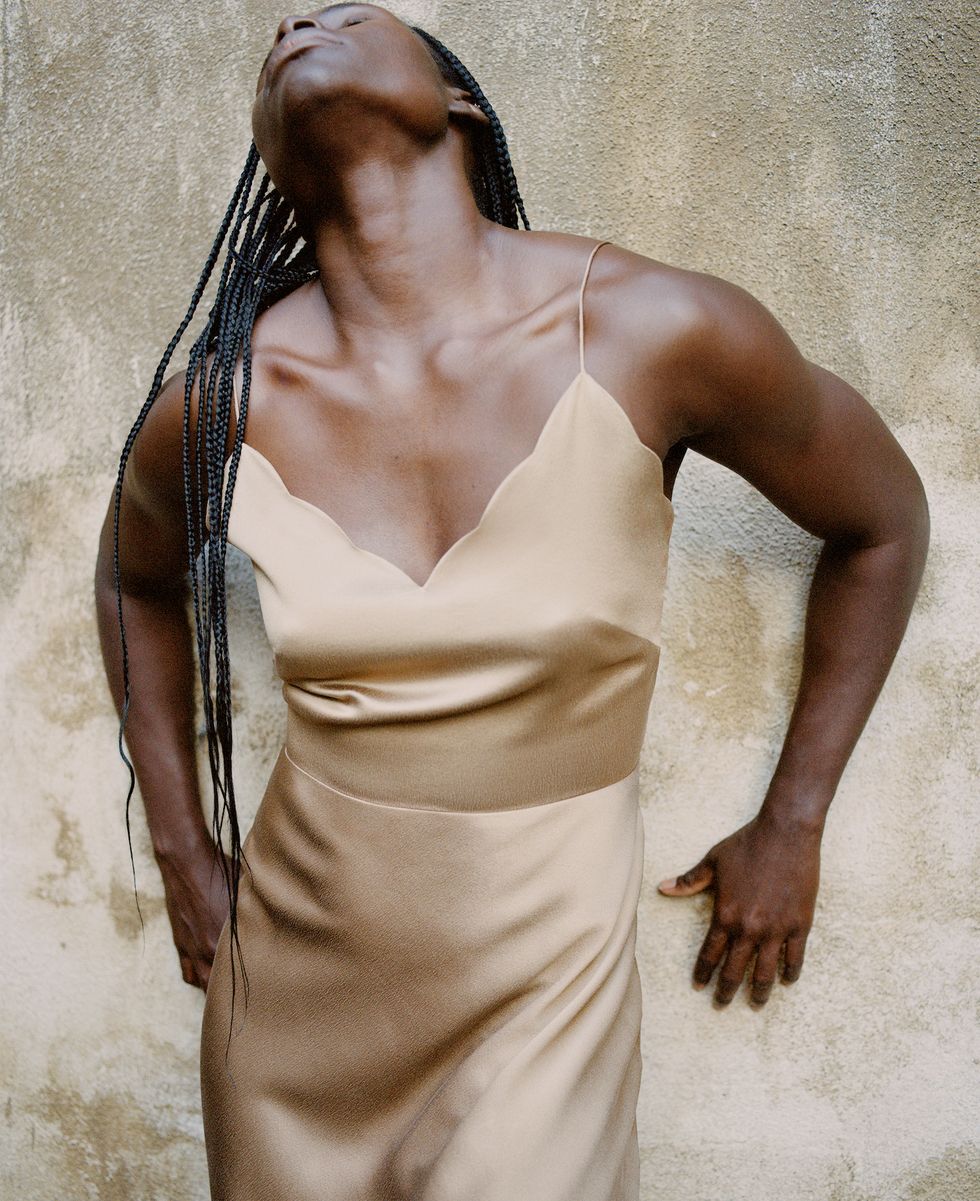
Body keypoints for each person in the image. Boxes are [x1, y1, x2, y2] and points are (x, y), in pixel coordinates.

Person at [93, 5, 930, 1199]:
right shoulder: (220, 401)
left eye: (349, 15)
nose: (298, 20)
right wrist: (184, 851)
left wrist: (791, 818)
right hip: (293, 990)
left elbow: (881, 521)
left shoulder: (654, 330)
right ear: (268, 158)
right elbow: (130, 580)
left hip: (542, 979)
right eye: (281, 34)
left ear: (459, 106)